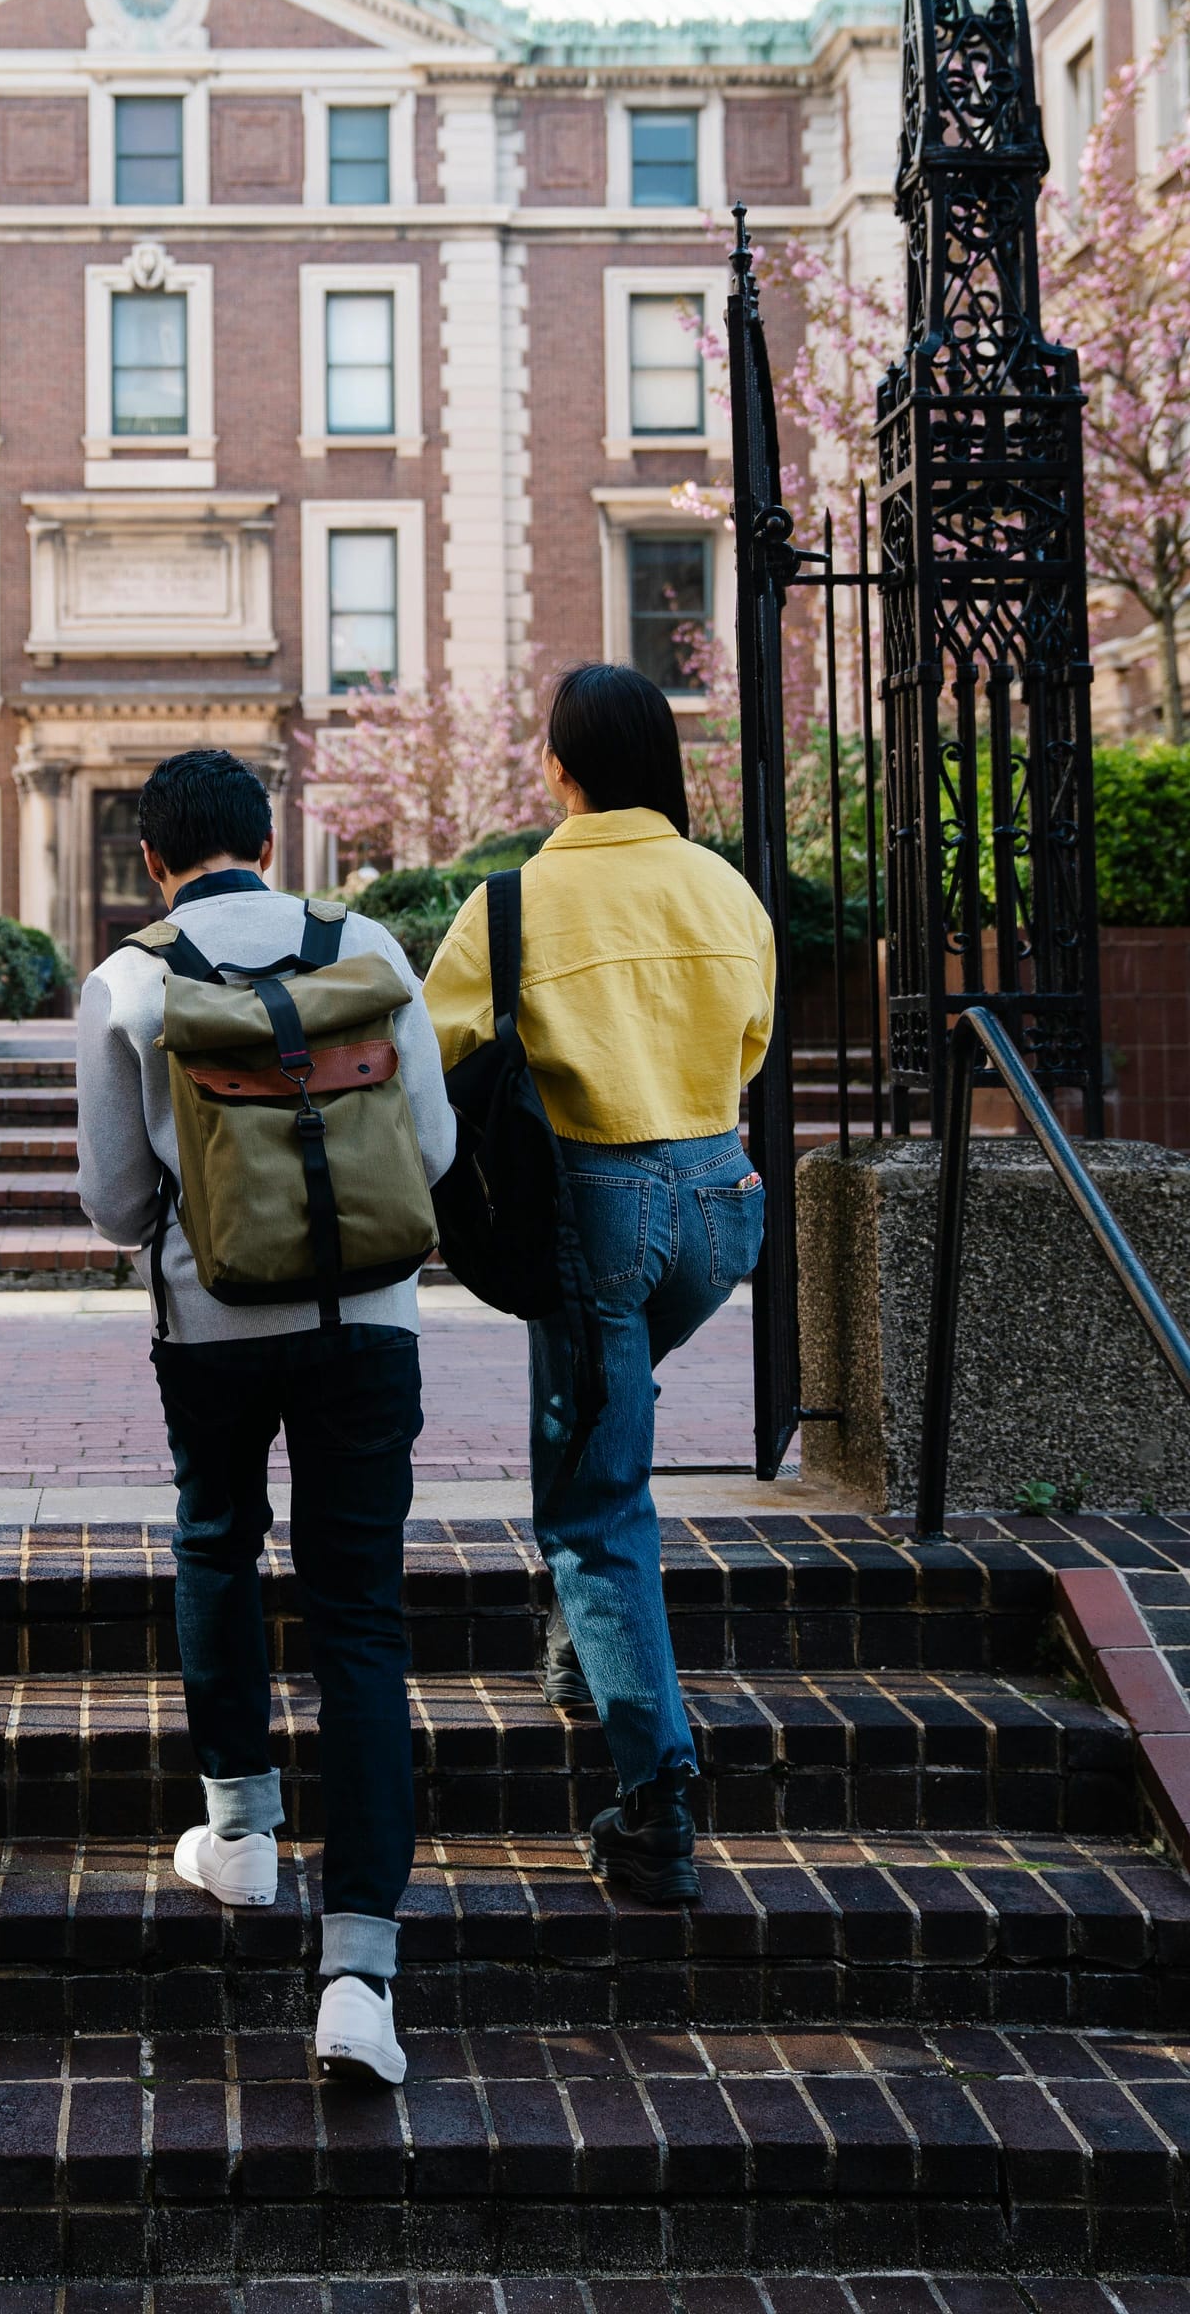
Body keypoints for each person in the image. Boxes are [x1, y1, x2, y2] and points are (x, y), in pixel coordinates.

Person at [76, 748, 455, 2089]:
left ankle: (239, 1833)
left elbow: (117, 1205)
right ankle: (360, 1974)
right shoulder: (368, 948)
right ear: (271, 836)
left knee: (217, 1540)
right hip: (371, 1326)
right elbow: (437, 1151)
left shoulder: (129, 980)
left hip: (214, 1327)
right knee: (360, 1614)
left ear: (150, 858)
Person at [423, 664, 774, 1907]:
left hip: (597, 1204)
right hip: (723, 1204)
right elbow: (751, 1044)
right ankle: (580, 1648)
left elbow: (437, 1057)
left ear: (558, 767)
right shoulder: (724, 886)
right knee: (598, 1414)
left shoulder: (512, 904)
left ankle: (653, 1795)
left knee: (596, 1502)